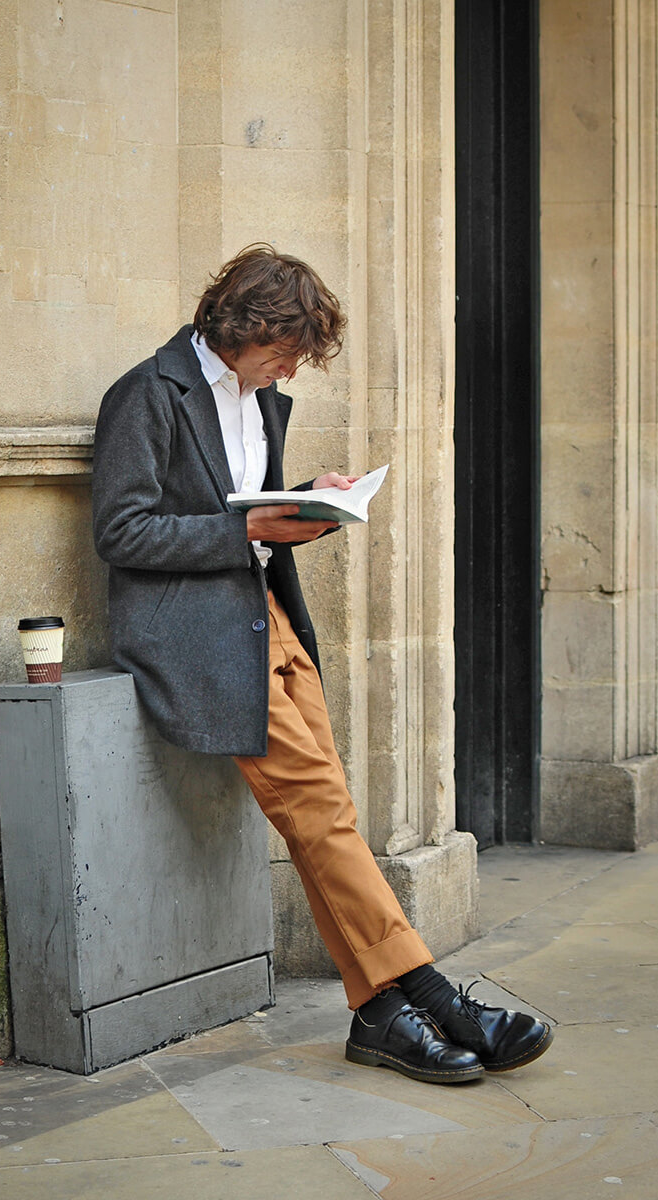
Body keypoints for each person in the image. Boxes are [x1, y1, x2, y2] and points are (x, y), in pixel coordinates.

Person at [92, 244, 553, 1085]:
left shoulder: (261, 398)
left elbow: (243, 507)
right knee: (320, 811)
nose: (292, 365)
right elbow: (121, 534)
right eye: (286, 347)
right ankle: (426, 994)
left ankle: (382, 1012)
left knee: (324, 810)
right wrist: (252, 530)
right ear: (240, 326)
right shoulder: (146, 394)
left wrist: (309, 498)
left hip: (265, 617)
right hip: (197, 634)